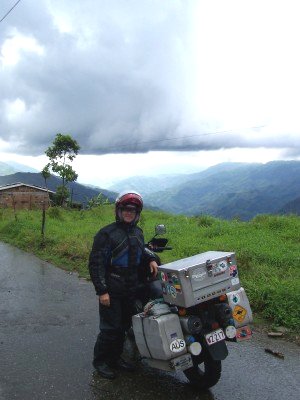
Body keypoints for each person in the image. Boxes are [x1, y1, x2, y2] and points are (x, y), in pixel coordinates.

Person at [88, 190, 159, 379]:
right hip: (112, 287)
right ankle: (101, 362)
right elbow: (96, 264)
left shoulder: (138, 232)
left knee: (124, 326)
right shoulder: (107, 234)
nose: (129, 213)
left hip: (131, 287)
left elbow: (141, 250)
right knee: (110, 328)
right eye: (126, 209)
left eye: (133, 210)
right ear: (119, 211)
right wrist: (102, 291)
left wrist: (151, 258)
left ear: (137, 214)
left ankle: (115, 358)